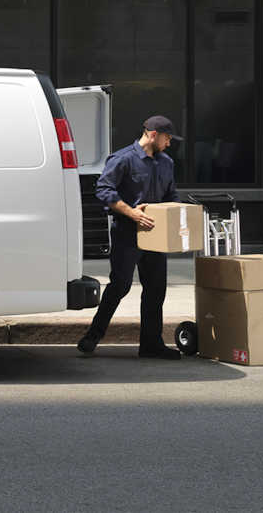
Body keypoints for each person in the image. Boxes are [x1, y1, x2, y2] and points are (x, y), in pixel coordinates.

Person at [78, 115, 185, 360]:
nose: (169, 144)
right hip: (127, 232)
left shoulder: (166, 162)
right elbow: (104, 189)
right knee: (121, 285)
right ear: (154, 134)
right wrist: (132, 213)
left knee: (156, 288)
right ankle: (92, 336)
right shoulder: (123, 158)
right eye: (168, 139)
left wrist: (177, 218)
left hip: (156, 235)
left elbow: (172, 195)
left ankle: (151, 344)